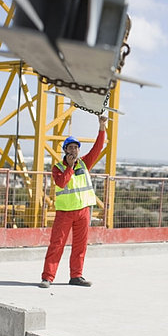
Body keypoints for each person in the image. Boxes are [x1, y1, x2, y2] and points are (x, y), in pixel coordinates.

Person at [39, 115, 107, 288]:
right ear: (65, 150)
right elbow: (61, 182)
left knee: (80, 246)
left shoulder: (84, 164)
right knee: (56, 245)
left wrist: (102, 126)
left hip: (83, 211)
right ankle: (48, 277)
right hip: (65, 213)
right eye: (71, 147)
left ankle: (76, 276)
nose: (74, 150)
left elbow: (97, 148)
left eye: (76, 147)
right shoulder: (58, 168)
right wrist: (69, 167)